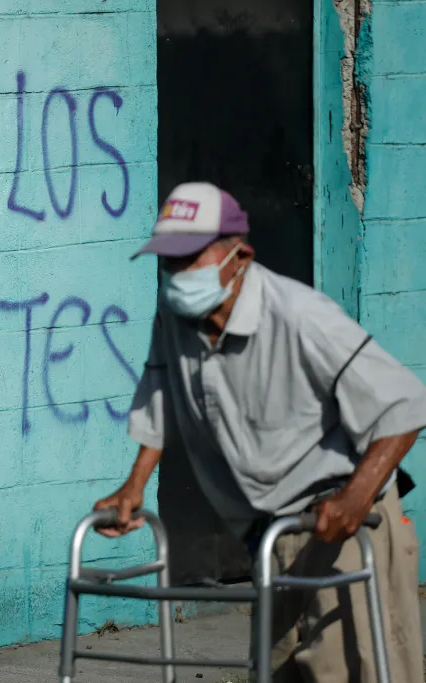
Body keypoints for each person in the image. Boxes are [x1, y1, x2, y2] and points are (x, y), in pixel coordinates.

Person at [94, 182, 425, 682]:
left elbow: (404, 401)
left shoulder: (297, 314)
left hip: (344, 526)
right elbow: (160, 386)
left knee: (350, 671)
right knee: (276, 673)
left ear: (240, 255)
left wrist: (356, 498)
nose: (177, 275)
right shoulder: (177, 316)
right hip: (270, 535)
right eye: (168, 262)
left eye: (189, 259)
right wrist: (135, 485)